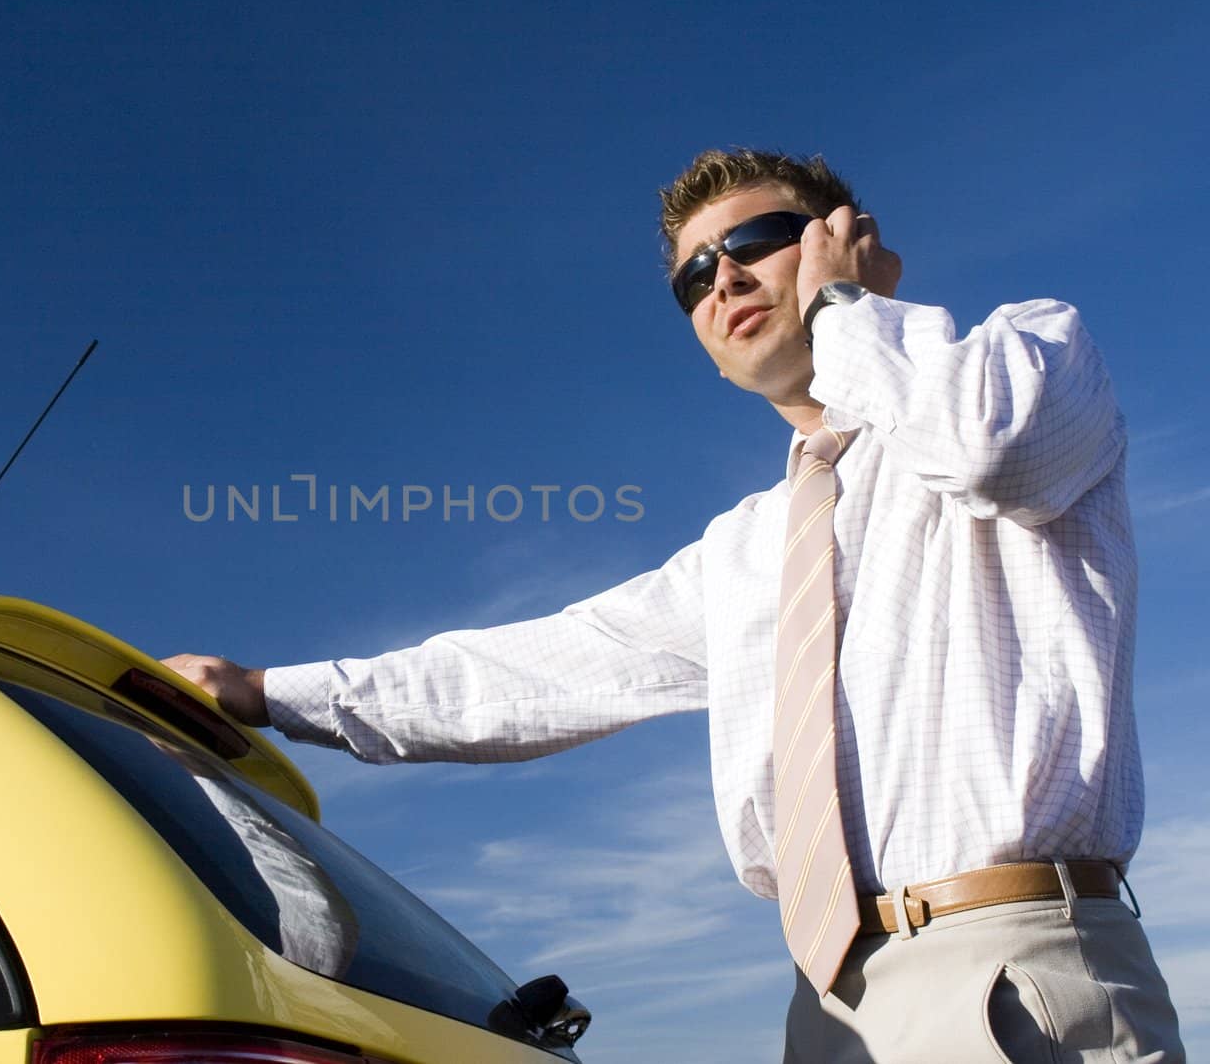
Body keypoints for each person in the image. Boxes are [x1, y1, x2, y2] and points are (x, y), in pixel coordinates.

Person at [165, 149, 1184, 1062]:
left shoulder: (1031, 355)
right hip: (830, 1005)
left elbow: (986, 447)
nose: (722, 278)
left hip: (1009, 974)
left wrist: (845, 312)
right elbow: (529, 672)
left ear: (847, 241)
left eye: (754, 242)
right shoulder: (747, 550)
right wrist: (263, 692)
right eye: (693, 276)